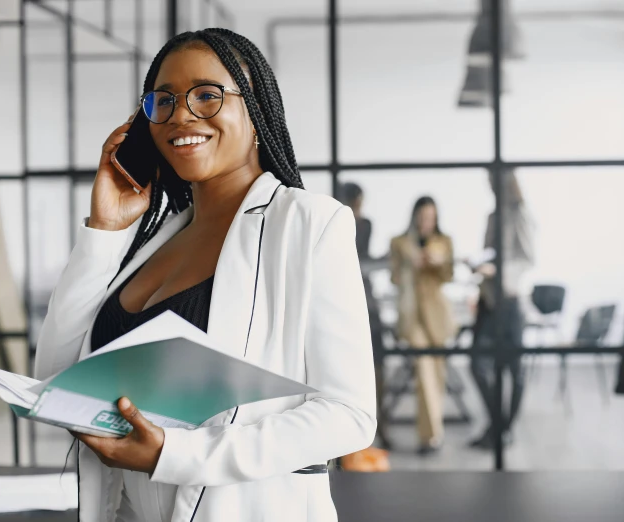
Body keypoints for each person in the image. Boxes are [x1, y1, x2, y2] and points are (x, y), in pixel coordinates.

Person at [34, 28, 376, 522]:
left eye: (207, 96)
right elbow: (56, 381)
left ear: (256, 110)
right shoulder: (152, 239)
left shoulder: (308, 225)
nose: (181, 116)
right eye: (164, 100)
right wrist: (104, 229)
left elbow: (350, 416)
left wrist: (170, 455)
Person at [468, 168, 535, 449]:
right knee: (478, 364)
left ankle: (504, 429)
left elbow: (527, 258)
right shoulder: (492, 216)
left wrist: (497, 270)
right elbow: (489, 254)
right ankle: (498, 426)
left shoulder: (519, 214)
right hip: (488, 301)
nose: (490, 187)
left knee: (514, 370)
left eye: (493, 182)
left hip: (509, 302)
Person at [390, 196, 455, 454]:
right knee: (425, 368)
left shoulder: (444, 242)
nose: (427, 222)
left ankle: (432, 429)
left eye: (431, 217)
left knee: (436, 373)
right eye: (423, 216)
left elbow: (448, 276)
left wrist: (439, 263)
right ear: (415, 216)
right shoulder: (399, 243)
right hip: (413, 315)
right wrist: (410, 266)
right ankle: (431, 436)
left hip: (438, 317)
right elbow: (394, 277)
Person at [338, 182, 391, 451]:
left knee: (378, 362)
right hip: (350, 299)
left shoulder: (363, 224)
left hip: (365, 299)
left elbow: (362, 261)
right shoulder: (339, 222)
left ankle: (378, 422)